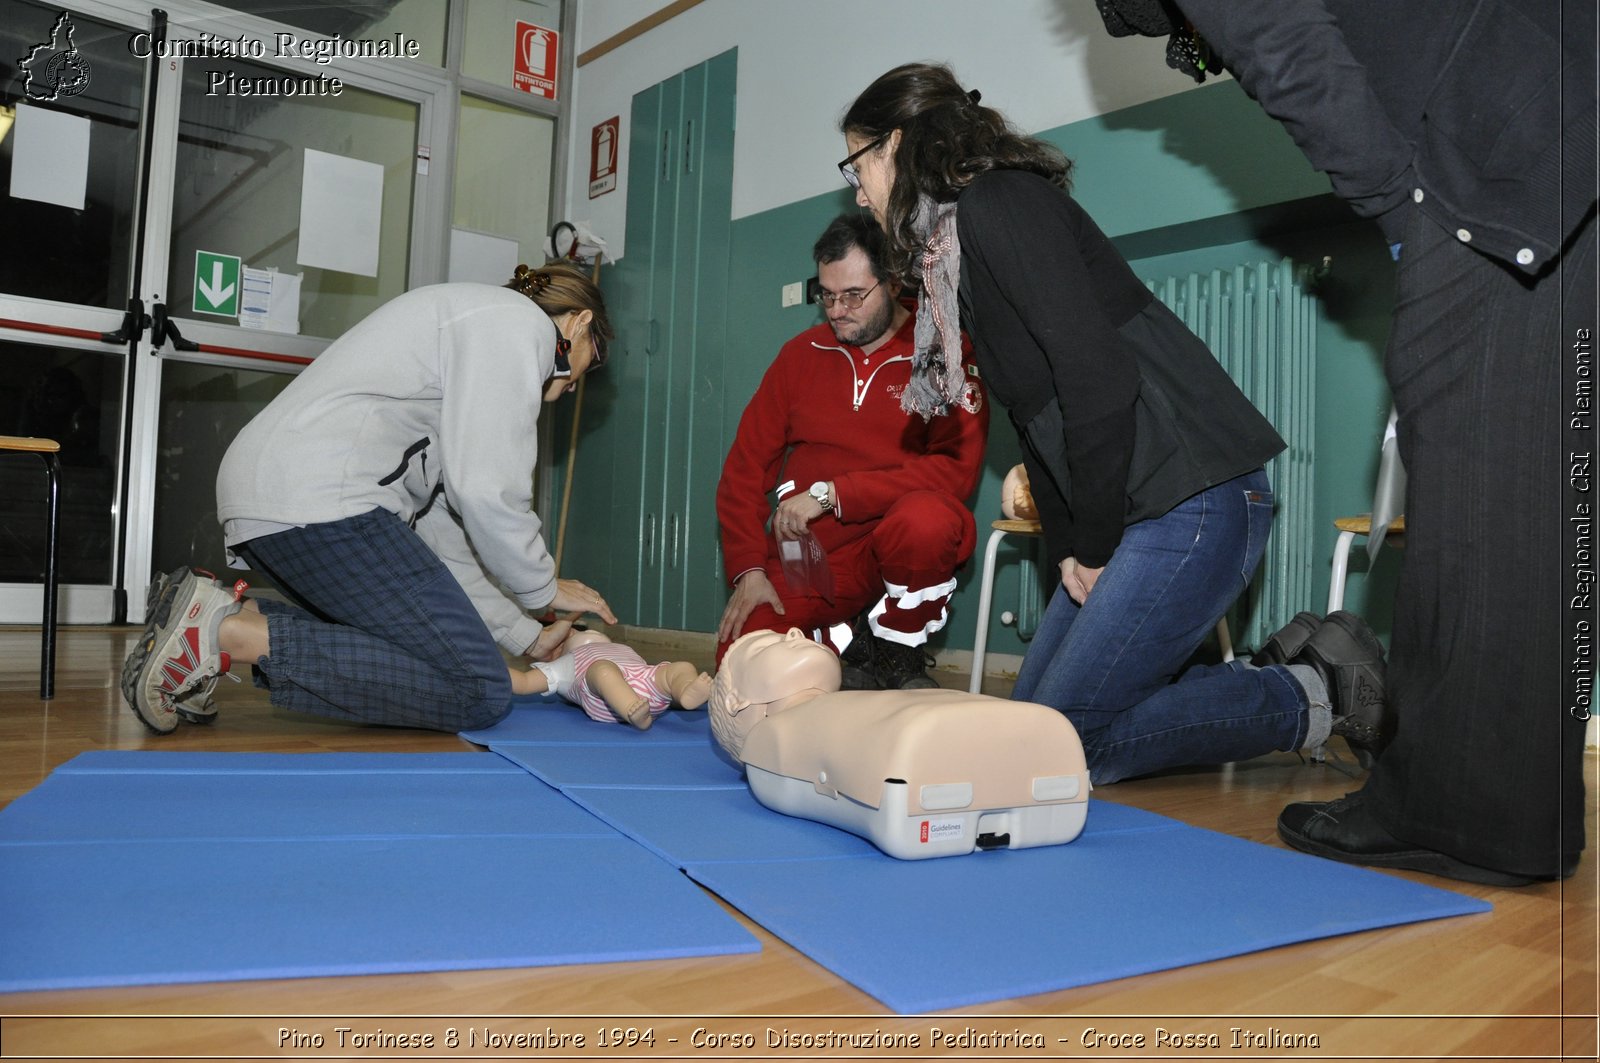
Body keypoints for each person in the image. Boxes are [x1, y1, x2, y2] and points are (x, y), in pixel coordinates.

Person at [1096, 0, 1595, 885]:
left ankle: (1462, 817)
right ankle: (1513, 811)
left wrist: (1402, 215)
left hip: (1504, 147)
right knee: (1536, 483)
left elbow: (1284, 44)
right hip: (1556, 113)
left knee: (1481, 484)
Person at [838, 62, 1392, 786]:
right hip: (1143, 511)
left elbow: (1098, 379)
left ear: (896, 145)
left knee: (1064, 747)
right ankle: (1291, 664)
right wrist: (1071, 547)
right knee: (1028, 730)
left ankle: (1316, 693)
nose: (855, 189)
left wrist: (1093, 541)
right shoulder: (957, 253)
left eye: (856, 164)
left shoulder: (996, 203)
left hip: (1195, 498)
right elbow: (1039, 421)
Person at [123, 262, 619, 735]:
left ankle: (217, 618)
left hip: (284, 495)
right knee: (479, 691)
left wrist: (527, 634)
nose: (579, 385)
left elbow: (439, 542)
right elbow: (490, 490)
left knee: (428, 653)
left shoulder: (469, 353)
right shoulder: (519, 325)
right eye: (591, 360)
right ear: (578, 322)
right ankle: (220, 634)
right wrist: (543, 587)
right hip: (322, 498)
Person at [714, 213, 989, 689]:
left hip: (896, 541)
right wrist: (749, 570)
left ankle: (895, 648)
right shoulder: (799, 355)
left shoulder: (943, 354)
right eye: (826, 294)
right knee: (741, 668)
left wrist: (833, 493)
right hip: (813, 556)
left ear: (893, 279)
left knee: (928, 520)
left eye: (854, 295)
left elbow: (955, 472)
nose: (837, 310)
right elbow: (744, 470)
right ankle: (847, 640)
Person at [709, 628, 1091, 859]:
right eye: (763, 648)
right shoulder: (769, 736)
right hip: (921, 761)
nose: (793, 632)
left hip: (929, 759)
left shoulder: (852, 705)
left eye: (787, 633)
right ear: (737, 703)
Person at [513, 628, 713, 730]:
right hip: (604, 697)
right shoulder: (560, 665)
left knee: (678, 668)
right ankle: (633, 710)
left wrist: (668, 686)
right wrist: (486, 668)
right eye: (574, 633)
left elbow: (646, 671)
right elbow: (524, 682)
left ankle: (685, 690)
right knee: (603, 670)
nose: (577, 631)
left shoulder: (622, 648)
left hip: (643, 682)